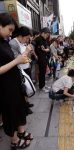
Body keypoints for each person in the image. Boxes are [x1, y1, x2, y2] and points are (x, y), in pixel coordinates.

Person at [0, 13, 33, 149]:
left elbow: (13, 60)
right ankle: (14, 141)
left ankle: (21, 133)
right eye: (9, 30)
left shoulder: (4, 42)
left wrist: (24, 55)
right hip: (4, 87)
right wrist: (16, 61)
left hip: (14, 84)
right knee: (10, 113)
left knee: (19, 109)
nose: (10, 34)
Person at [9, 26, 34, 115]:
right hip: (20, 70)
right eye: (27, 38)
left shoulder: (22, 42)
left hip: (26, 67)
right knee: (23, 89)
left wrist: (29, 52)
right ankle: (24, 108)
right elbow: (16, 59)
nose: (27, 40)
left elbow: (26, 57)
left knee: (27, 88)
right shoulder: (13, 43)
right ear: (21, 35)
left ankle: (26, 104)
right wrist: (27, 51)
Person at [33, 28, 50, 92]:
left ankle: (43, 85)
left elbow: (48, 47)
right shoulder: (38, 39)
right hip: (40, 58)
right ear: (43, 33)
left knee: (43, 72)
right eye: (47, 34)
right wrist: (35, 55)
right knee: (42, 73)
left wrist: (47, 49)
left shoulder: (44, 40)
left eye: (48, 35)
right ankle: (42, 86)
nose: (47, 36)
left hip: (44, 57)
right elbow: (31, 46)